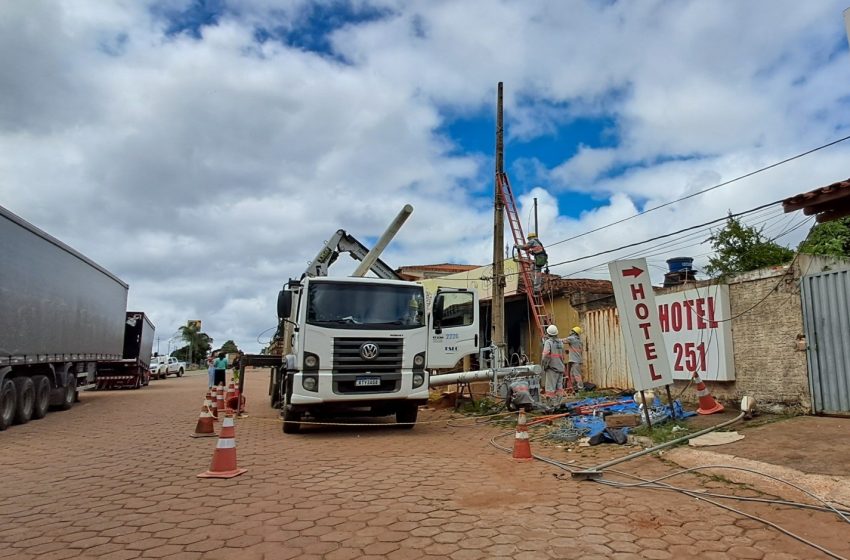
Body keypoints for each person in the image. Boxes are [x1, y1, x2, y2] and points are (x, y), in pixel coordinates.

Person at [541, 324, 565, 397]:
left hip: (552, 369)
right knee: (559, 388)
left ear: (548, 333)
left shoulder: (548, 342)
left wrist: (544, 366)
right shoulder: (561, 342)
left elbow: (545, 355)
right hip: (560, 368)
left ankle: (551, 406)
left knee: (550, 389)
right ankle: (558, 404)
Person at [565, 326, 585, 392]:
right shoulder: (579, 340)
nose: (570, 331)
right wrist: (569, 351)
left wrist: (552, 339)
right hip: (576, 360)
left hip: (575, 361)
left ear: (574, 332)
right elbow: (576, 350)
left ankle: (580, 389)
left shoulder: (572, 338)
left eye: (571, 330)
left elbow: (562, 341)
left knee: (576, 375)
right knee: (572, 375)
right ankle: (576, 389)